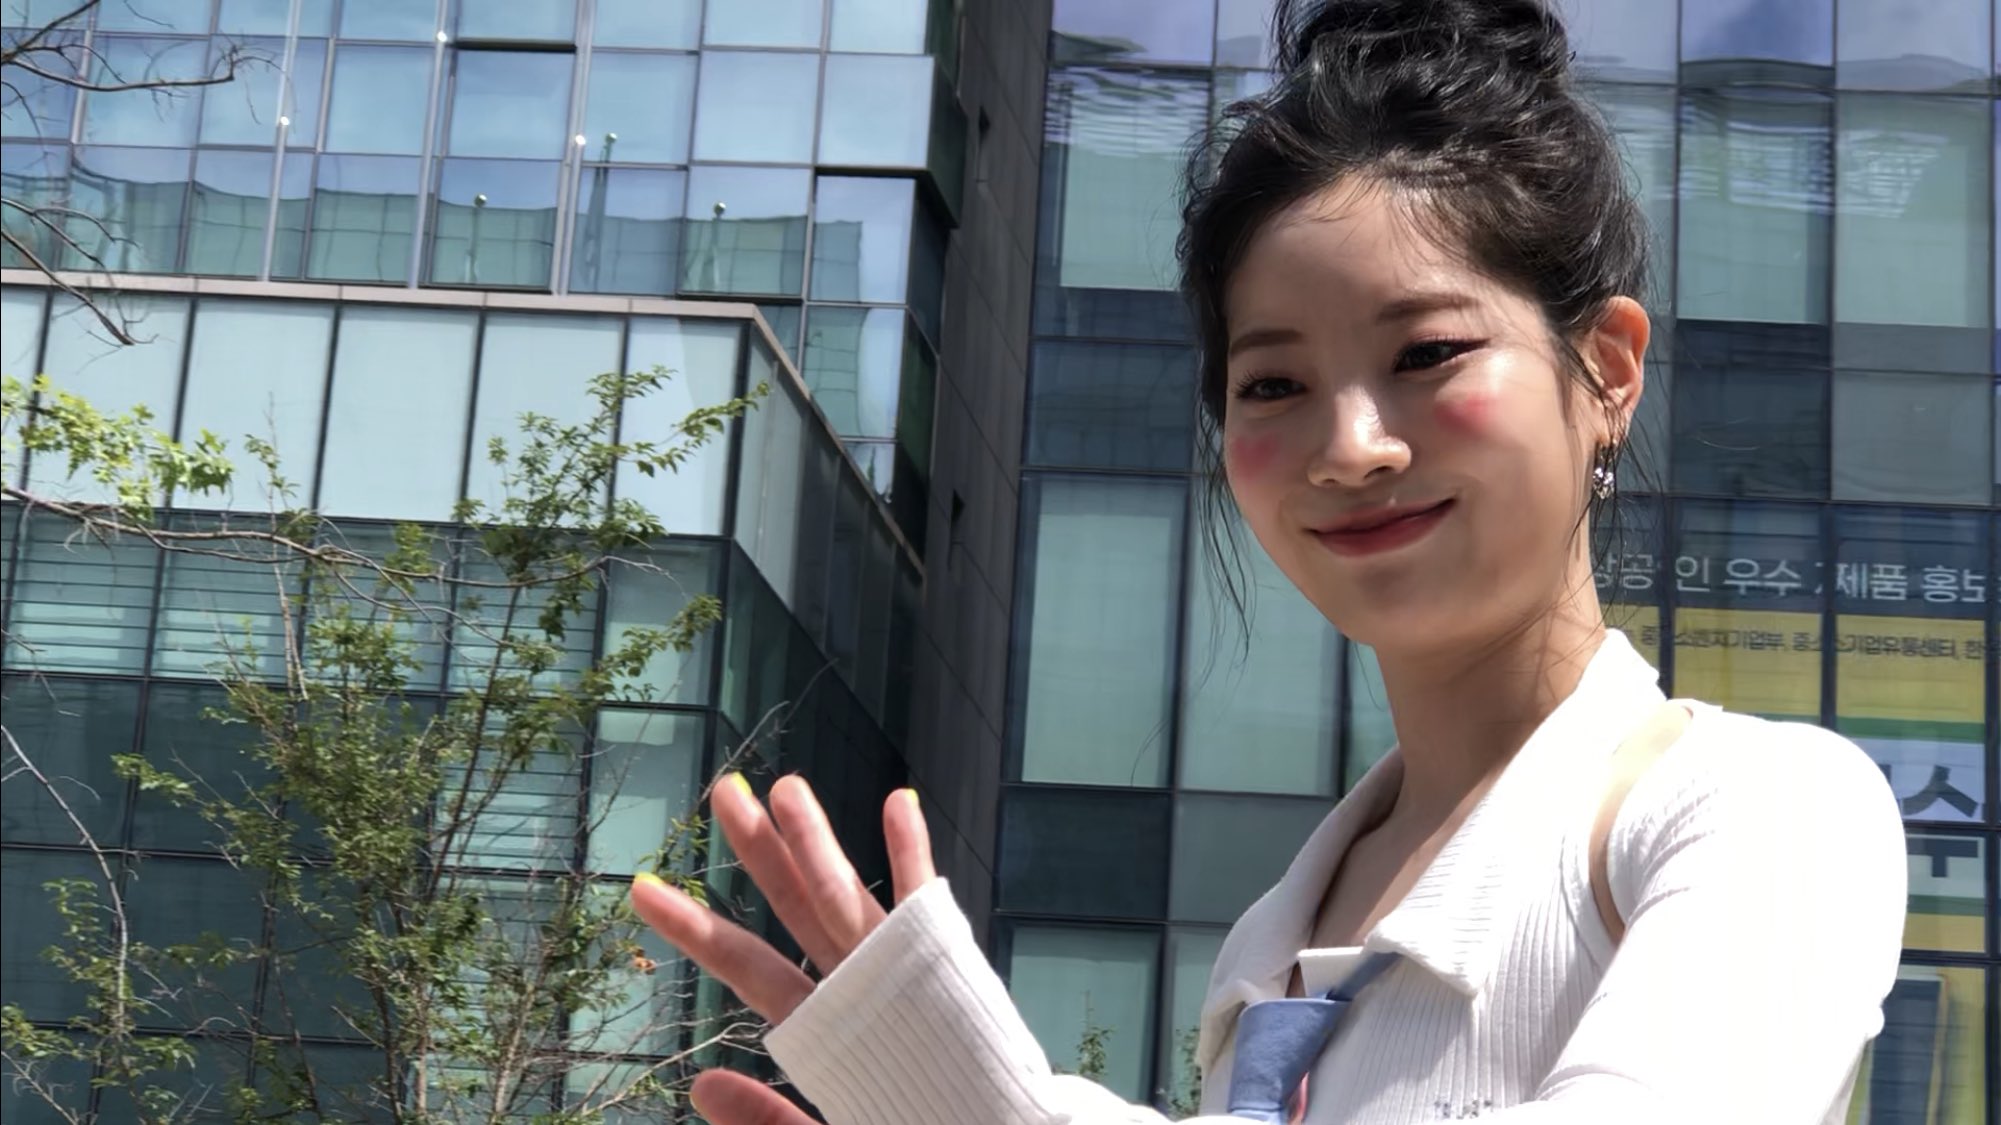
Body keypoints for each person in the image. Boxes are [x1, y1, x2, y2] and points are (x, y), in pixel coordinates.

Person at [629, 0, 1909, 1121]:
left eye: (1428, 354)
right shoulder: (1274, 934)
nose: (1350, 449)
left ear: (1608, 370)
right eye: (1275, 384)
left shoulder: (1762, 808)